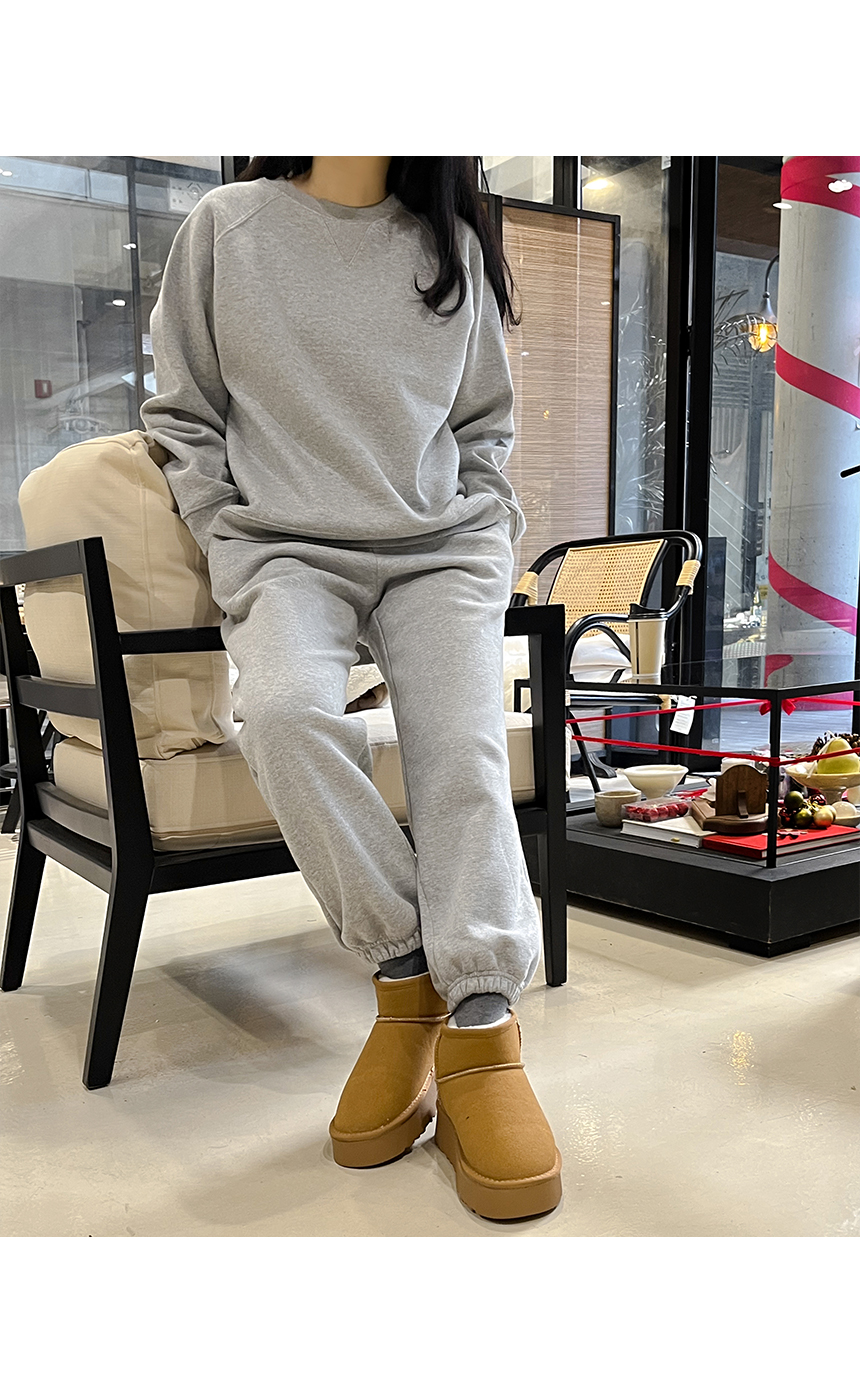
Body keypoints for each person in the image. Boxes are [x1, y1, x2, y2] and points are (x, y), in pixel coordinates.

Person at [140, 156, 562, 1221]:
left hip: (441, 549)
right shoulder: (227, 226)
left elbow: (483, 425)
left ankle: (481, 1023)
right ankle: (406, 976)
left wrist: (485, 523)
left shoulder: (448, 241)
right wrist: (222, 527)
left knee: (463, 749)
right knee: (282, 718)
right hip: (284, 547)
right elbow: (183, 411)